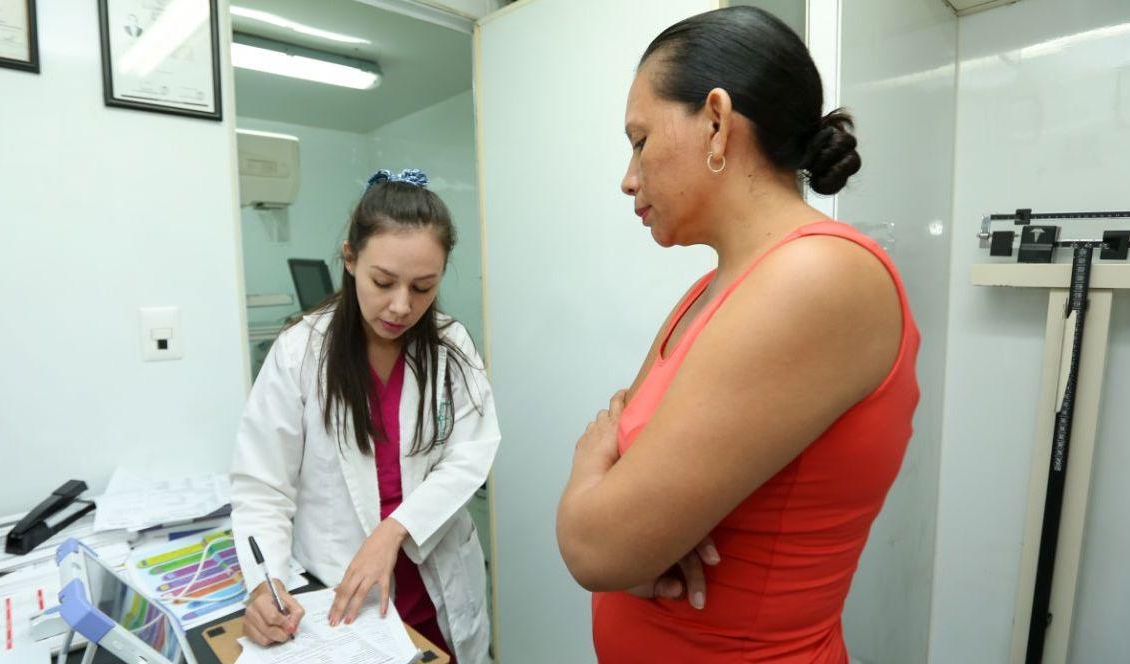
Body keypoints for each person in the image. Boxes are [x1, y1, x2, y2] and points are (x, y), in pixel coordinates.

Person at [555, 7, 920, 663]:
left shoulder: (816, 276)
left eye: (639, 140)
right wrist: (638, 531)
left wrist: (595, 481)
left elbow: (595, 546)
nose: (628, 177)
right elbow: (625, 456)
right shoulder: (710, 291)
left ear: (717, 122)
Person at [231, 169, 499, 663]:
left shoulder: (450, 346)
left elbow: (470, 457)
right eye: (383, 282)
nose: (401, 306)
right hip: (341, 597)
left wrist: (392, 531)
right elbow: (263, 489)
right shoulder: (299, 352)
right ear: (350, 259)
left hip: (434, 594)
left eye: (423, 287)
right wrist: (263, 587)